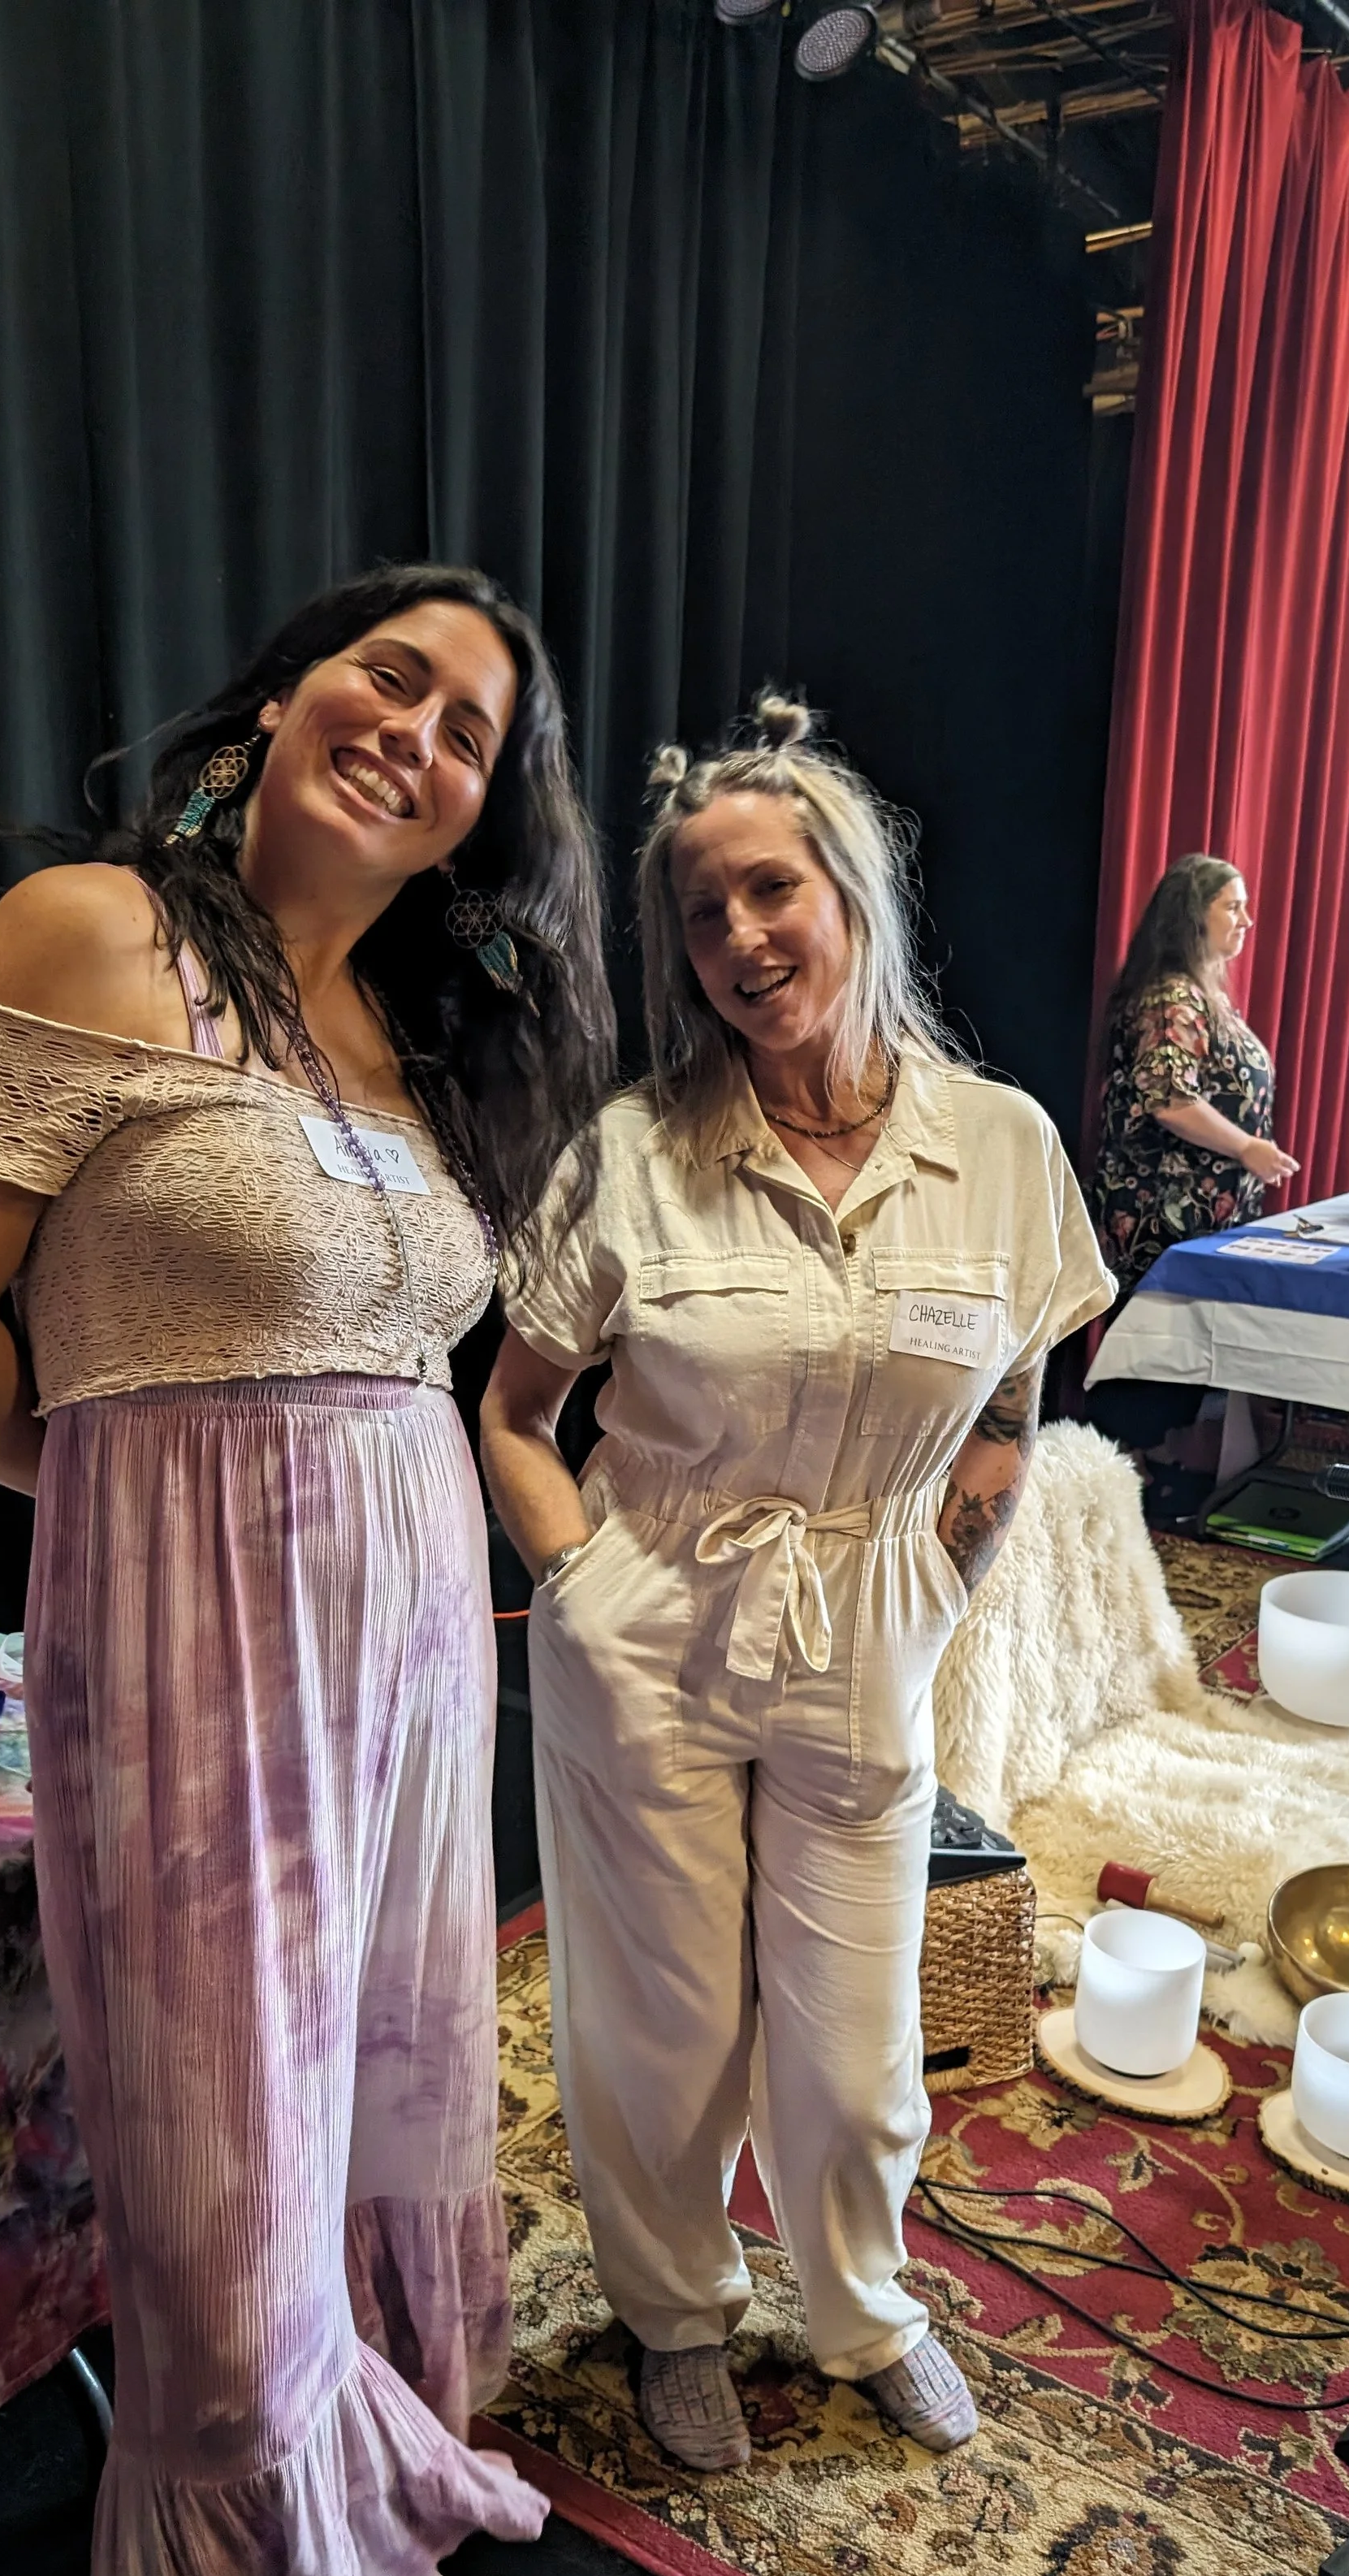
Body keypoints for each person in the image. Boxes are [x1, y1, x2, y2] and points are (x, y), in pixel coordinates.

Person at [0, 565, 614, 2576]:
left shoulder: (410, 1036)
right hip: (194, 1648)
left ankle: (349, 2513)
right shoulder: (92, 938)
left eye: (472, 732)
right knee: (218, 2175)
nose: (420, 735)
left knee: (379, 2112)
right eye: (393, 675)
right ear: (281, 692)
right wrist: (148, 1520)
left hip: (417, 1649)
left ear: (476, 813)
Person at [478, 697, 1113, 2474]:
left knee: (849, 2047)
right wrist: (585, 1583)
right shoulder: (634, 1152)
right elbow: (517, 1412)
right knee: (662, 2027)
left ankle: (858, 2305)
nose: (742, 939)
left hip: (866, 1635)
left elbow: (1009, 1396)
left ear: (849, 895)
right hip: (655, 1615)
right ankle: (675, 2313)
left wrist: (943, 1570)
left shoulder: (997, 1144)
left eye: (772, 891)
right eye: (701, 912)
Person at [1083, 853, 1297, 1474]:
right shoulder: (1173, 996)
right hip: (1161, 1215)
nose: (1247, 920)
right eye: (1232, 906)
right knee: (1157, 1354)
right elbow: (1168, 1098)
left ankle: (1165, 1471)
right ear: (1191, 915)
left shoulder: (1204, 994)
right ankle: (1129, 1476)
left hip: (1198, 1218)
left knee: (1180, 1357)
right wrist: (1248, 1148)